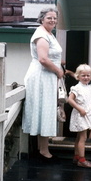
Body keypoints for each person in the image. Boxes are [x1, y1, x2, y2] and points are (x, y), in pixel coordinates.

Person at [22, 8, 64, 162]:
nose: (52, 20)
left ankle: (43, 149)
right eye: (49, 18)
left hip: (47, 77)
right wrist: (58, 71)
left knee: (45, 112)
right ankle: (43, 152)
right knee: (44, 111)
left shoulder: (48, 34)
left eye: (54, 18)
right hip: (41, 76)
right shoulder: (41, 35)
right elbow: (43, 59)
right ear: (41, 19)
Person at [67, 64, 91, 168]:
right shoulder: (77, 88)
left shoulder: (90, 88)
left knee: (80, 136)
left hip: (87, 114)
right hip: (81, 114)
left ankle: (76, 156)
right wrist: (80, 109)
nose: (86, 77)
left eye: (88, 75)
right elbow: (70, 100)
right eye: (83, 75)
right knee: (83, 138)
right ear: (78, 76)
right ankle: (82, 160)